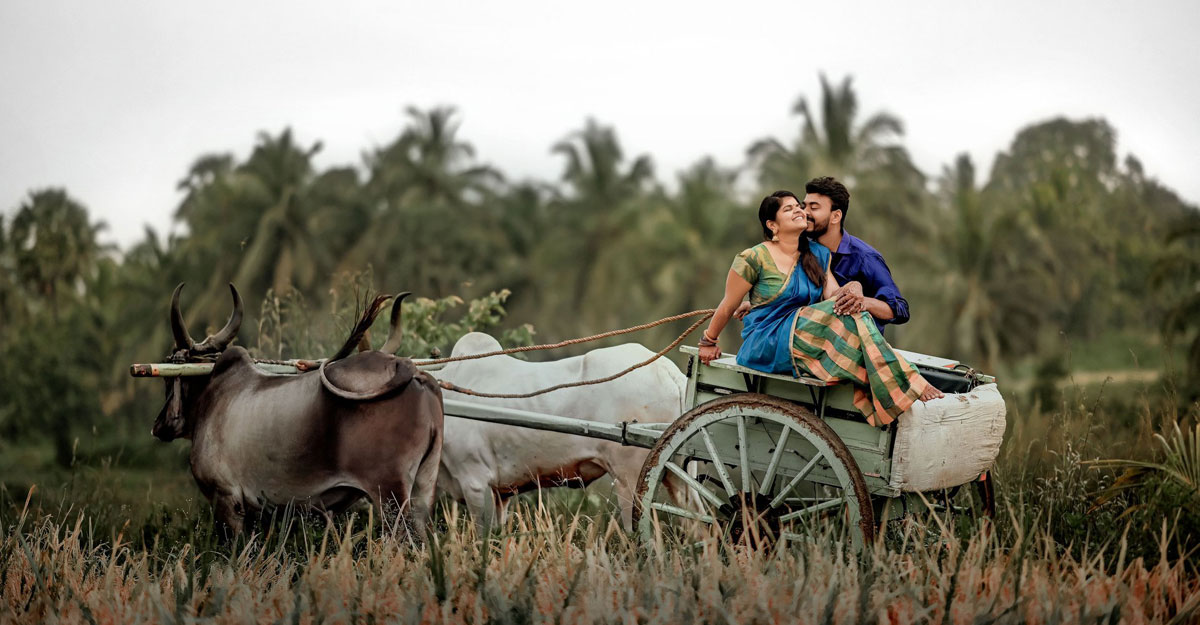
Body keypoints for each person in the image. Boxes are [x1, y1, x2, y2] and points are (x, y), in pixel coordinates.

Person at [698, 191, 942, 427]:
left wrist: (855, 288)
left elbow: (834, 299)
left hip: (804, 336)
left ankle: (898, 384)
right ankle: (907, 382)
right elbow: (728, 304)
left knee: (850, 309)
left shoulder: (817, 254)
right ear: (772, 225)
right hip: (767, 341)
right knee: (844, 314)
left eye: (798, 206)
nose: (799, 210)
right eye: (789, 208)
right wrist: (709, 341)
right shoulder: (753, 258)